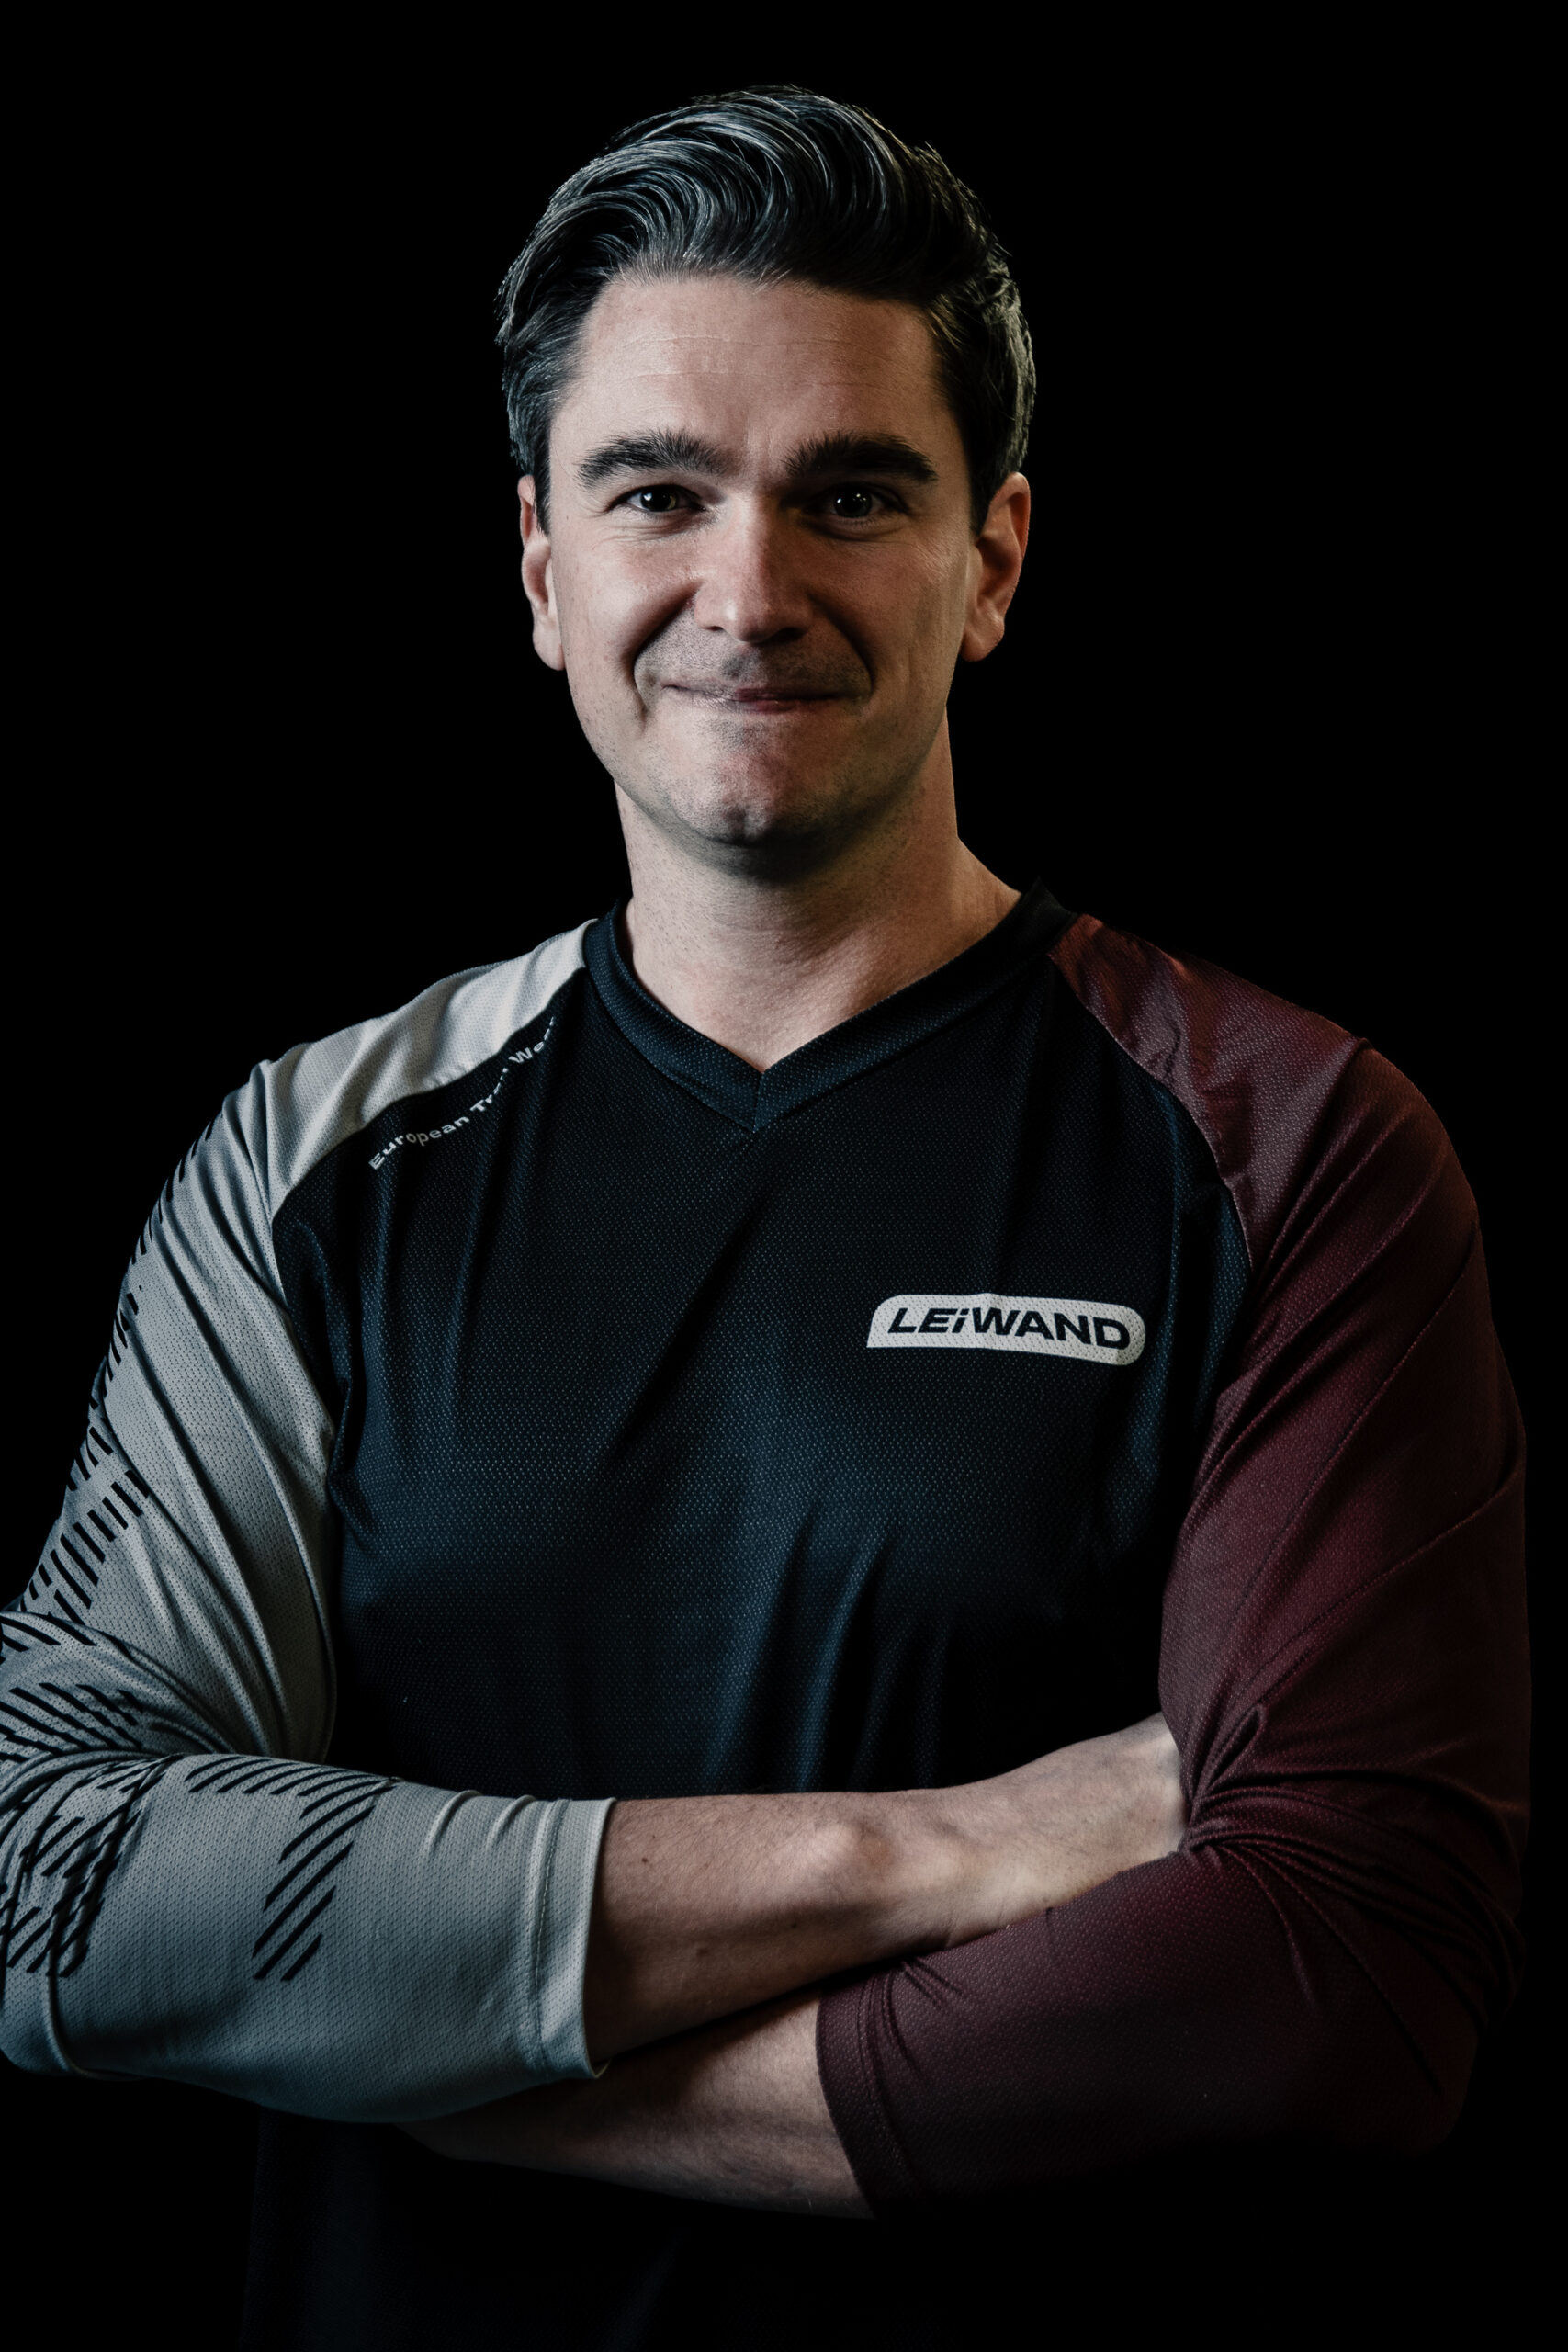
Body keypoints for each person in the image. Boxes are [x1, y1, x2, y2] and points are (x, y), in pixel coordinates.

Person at [1, 86, 1527, 2348]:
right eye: (657, 493)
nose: (747, 590)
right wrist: (942, 1841)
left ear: (991, 559)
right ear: (542, 565)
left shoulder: (1282, 1140)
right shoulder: (309, 1164)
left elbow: (1337, 1975)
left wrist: (484, 2074)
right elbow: (74, 1879)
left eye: (851, 495)